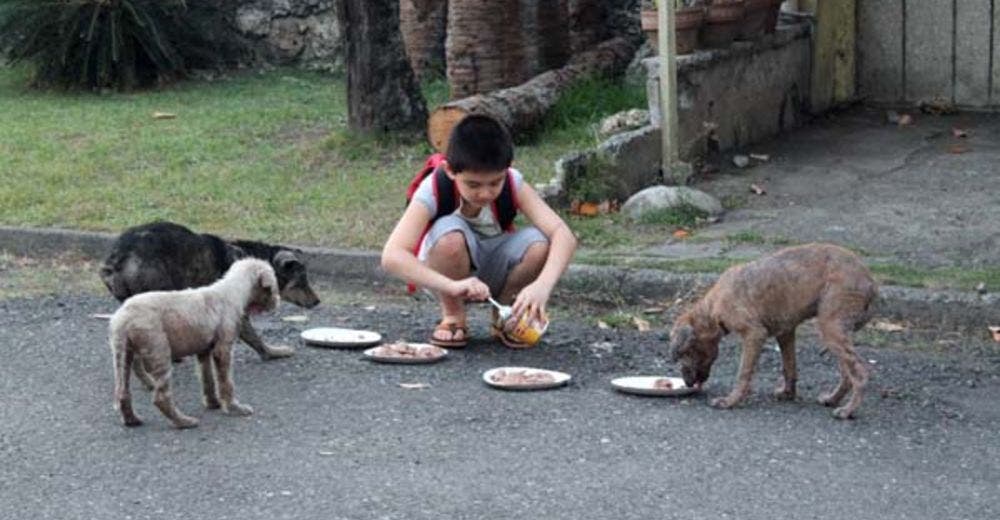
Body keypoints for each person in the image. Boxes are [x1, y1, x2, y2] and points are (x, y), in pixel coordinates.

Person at [381, 114, 577, 349]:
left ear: (507, 170)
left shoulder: (514, 182)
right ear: (451, 170)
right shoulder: (434, 188)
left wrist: (542, 286)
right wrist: (452, 286)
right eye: (473, 185)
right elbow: (392, 256)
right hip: (445, 274)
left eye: (495, 183)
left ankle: (505, 312)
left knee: (540, 243)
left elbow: (563, 234)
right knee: (450, 237)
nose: (485, 194)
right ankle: (453, 315)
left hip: (494, 265)